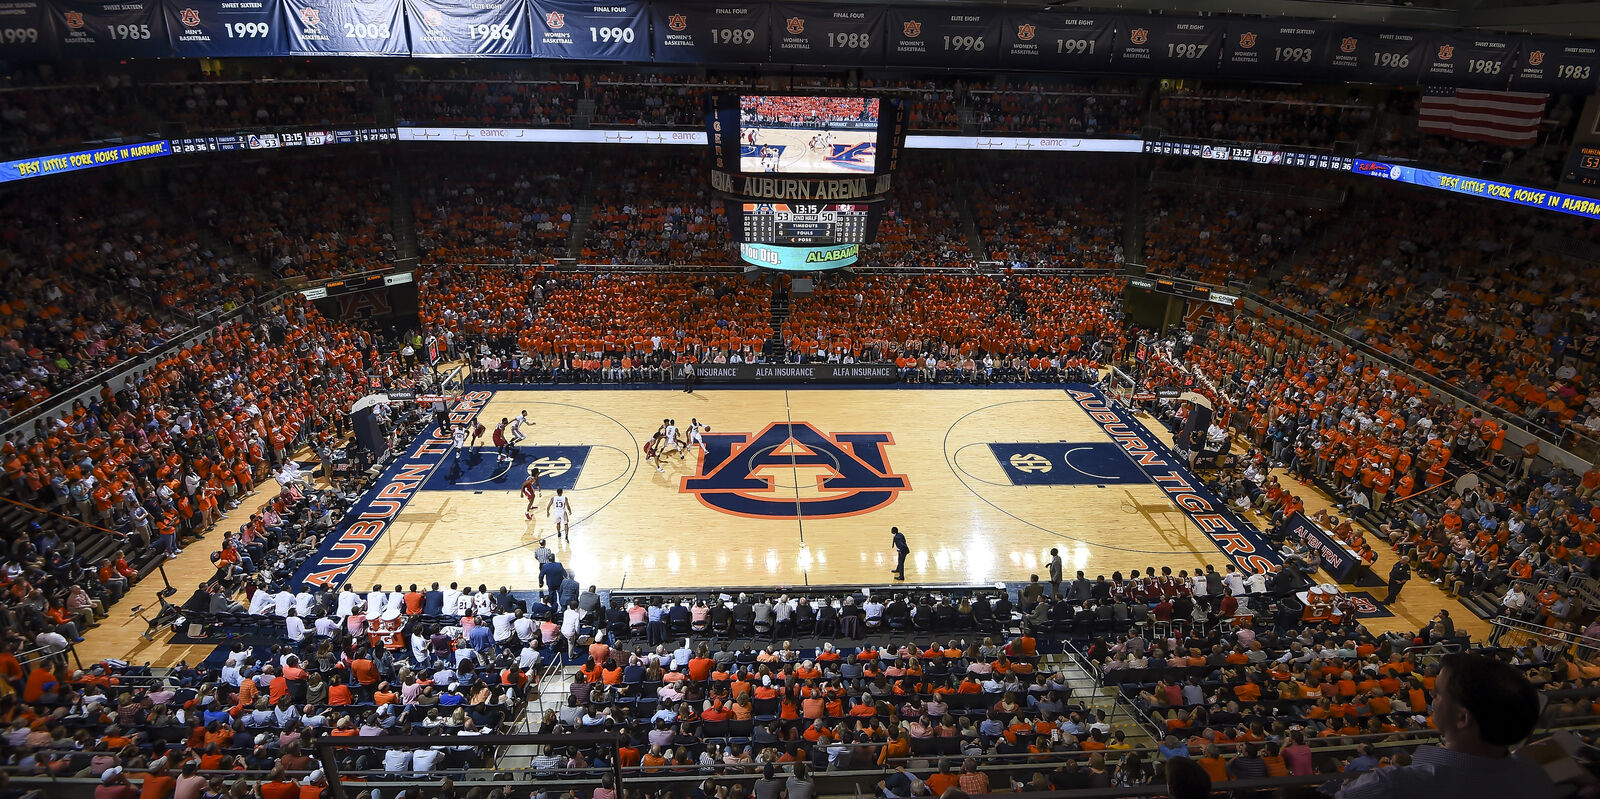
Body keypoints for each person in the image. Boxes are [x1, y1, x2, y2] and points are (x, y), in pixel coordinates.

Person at [1337, 653, 1554, 799]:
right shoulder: (1536, 777)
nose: (1431, 694)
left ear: (1462, 718)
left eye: (1438, 693)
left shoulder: (1391, 785)